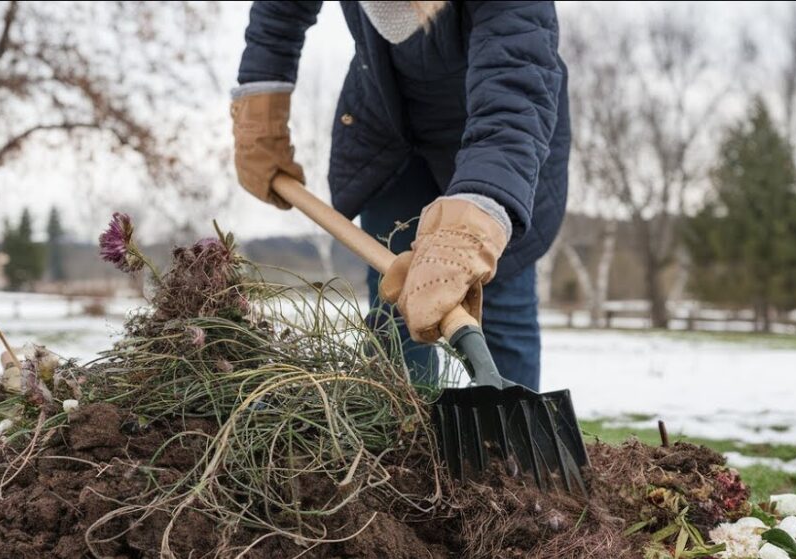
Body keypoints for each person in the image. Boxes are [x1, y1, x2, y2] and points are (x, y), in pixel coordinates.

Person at [231, 1, 570, 390]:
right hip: (390, 138)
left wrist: (471, 225)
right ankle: (402, 442)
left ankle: (509, 443)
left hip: (503, 149)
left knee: (499, 303)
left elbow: (515, 90)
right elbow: (279, 12)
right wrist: (260, 110)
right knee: (397, 311)